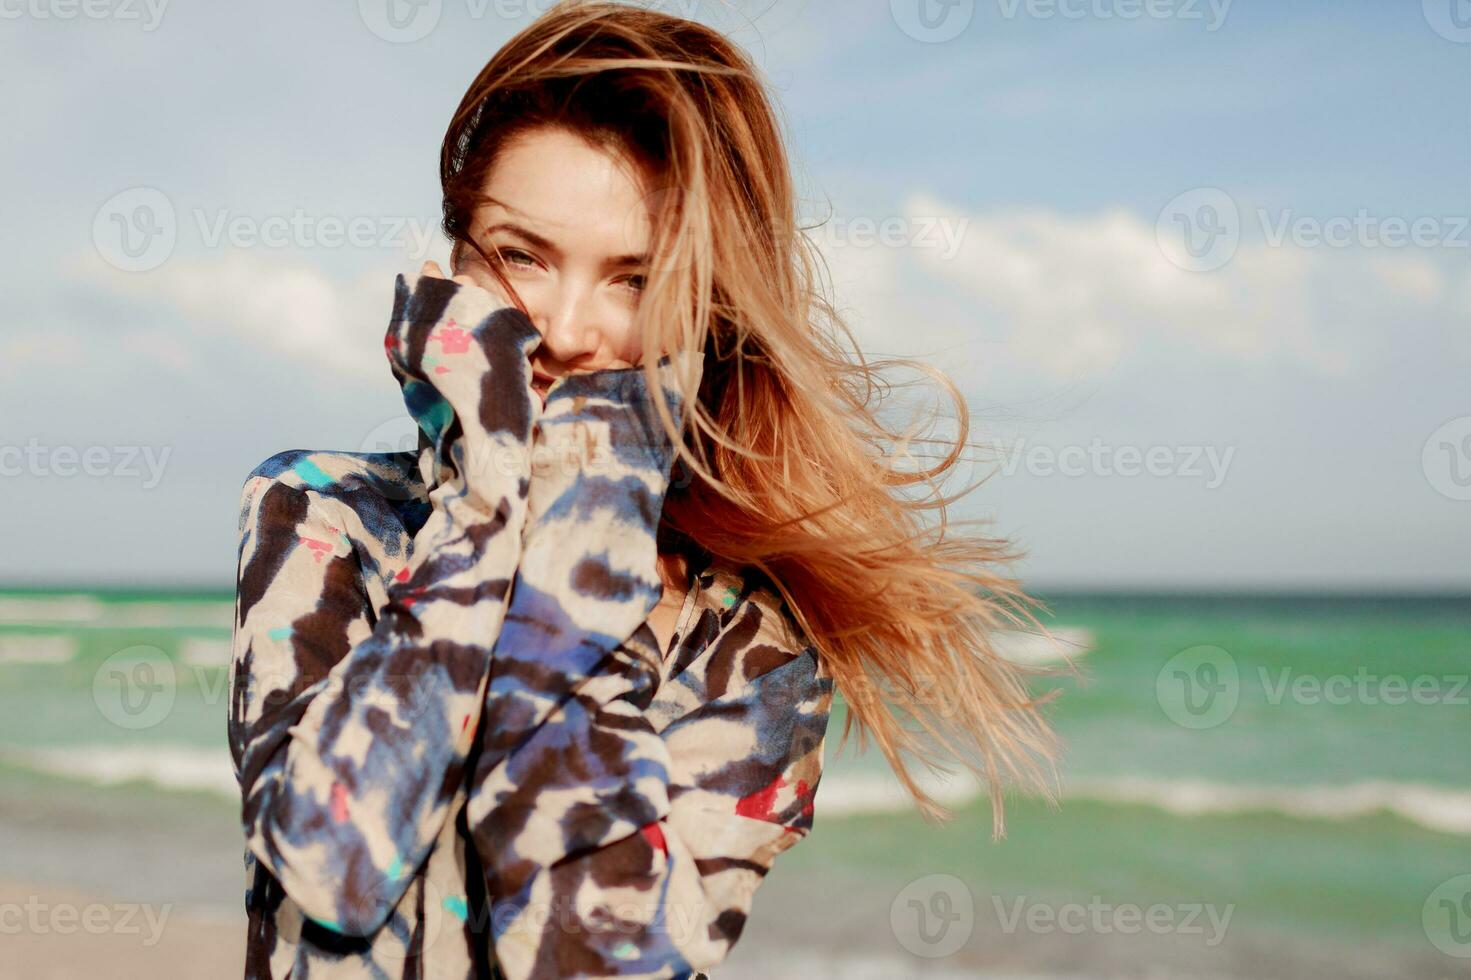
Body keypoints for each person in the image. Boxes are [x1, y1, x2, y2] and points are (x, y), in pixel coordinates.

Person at [227, 2, 1058, 977]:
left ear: (705, 312)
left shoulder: (755, 639)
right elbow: (332, 867)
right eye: (521, 254)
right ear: (450, 261)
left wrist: (578, 534)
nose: (568, 326)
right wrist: (490, 503)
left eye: (633, 279)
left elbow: (591, 957)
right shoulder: (320, 514)